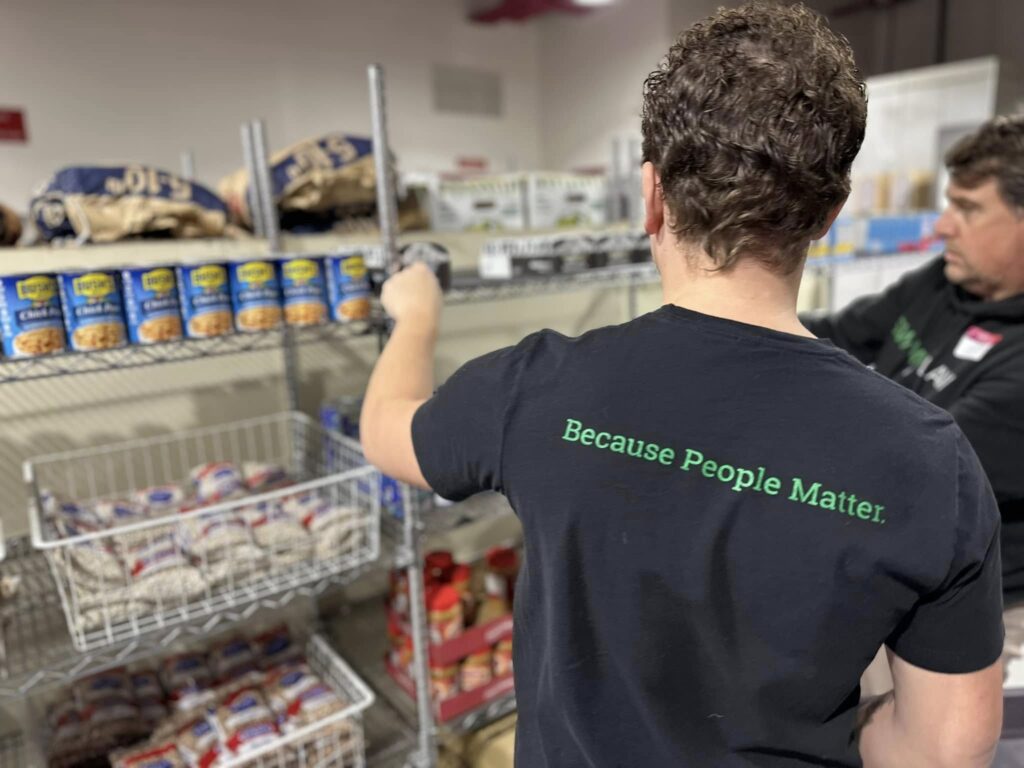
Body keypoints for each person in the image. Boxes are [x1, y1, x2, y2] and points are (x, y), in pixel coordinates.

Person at [361, 3, 1005, 766]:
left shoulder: (535, 387)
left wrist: (415, 317)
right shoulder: (929, 461)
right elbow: (945, 748)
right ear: (828, 213)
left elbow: (388, 430)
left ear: (652, 196)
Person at [804, 115, 1024, 598]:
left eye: (968, 209)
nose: (944, 226)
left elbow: (914, 468)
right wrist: (741, 331)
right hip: (897, 553)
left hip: (982, 601)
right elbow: (838, 334)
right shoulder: (943, 282)